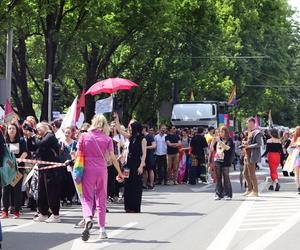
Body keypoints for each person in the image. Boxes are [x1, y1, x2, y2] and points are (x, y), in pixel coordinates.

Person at [78, 115, 124, 241]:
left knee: (87, 197)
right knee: (101, 199)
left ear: (93, 122)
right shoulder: (107, 139)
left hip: (87, 169)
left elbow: (78, 155)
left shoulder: (84, 136)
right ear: (105, 125)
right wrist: (119, 172)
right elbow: (111, 158)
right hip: (102, 169)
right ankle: (102, 229)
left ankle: (87, 218)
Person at [32, 122, 61, 223]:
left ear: (45, 128)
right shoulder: (40, 137)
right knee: (41, 191)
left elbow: (40, 144)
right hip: (42, 168)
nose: (37, 131)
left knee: (51, 191)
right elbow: (33, 147)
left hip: (51, 169)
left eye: (39, 129)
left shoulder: (50, 136)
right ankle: (43, 213)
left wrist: (33, 136)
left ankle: (55, 214)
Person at [1, 123, 28, 219]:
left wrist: (20, 159)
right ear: (7, 131)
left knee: (17, 190)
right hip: (6, 170)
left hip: (18, 169)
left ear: (17, 130)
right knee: (6, 190)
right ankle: (5, 211)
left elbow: (25, 152)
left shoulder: (21, 140)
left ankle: (16, 211)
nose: (11, 130)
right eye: (9, 128)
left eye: (13, 128)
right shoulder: (4, 141)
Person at [123, 122, 147, 213]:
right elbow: (121, 131)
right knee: (127, 184)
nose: (130, 129)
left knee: (135, 185)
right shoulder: (131, 137)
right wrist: (116, 120)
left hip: (137, 163)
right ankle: (127, 206)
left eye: (131, 128)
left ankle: (135, 207)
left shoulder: (142, 139)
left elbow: (144, 154)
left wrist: (141, 166)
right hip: (128, 164)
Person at [211, 126, 234, 200]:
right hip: (217, 160)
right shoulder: (218, 140)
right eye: (220, 132)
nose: (220, 133)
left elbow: (227, 148)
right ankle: (218, 194)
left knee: (226, 177)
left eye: (222, 132)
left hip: (225, 161)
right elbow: (212, 149)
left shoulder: (229, 140)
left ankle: (228, 194)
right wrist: (213, 141)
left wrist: (219, 142)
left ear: (226, 132)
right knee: (218, 178)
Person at [243, 118, 262, 197]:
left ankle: (255, 191)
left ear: (252, 123)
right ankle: (249, 189)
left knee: (252, 174)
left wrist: (248, 146)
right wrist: (244, 144)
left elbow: (259, 144)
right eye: (247, 123)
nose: (247, 125)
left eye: (248, 123)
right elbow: (249, 143)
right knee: (245, 173)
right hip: (246, 155)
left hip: (252, 155)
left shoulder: (257, 132)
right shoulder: (249, 132)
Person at [142, 124, 156, 190]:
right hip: (143, 155)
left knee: (150, 169)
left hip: (149, 155)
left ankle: (151, 184)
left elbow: (154, 145)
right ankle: (144, 184)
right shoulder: (141, 136)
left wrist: (145, 147)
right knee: (144, 170)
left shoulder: (150, 136)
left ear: (144, 129)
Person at [287, 126, 300, 193]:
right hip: (298, 157)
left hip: (296, 158)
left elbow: (288, 149)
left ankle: (298, 188)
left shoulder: (294, 139)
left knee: (297, 174)